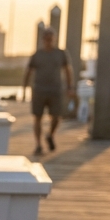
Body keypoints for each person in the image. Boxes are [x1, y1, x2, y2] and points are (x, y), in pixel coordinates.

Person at [21, 28, 73, 156]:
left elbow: (67, 70)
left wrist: (70, 87)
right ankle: (38, 145)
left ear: (54, 39)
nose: (49, 41)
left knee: (56, 116)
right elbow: (28, 72)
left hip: (56, 89)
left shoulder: (61, 54)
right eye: (47, 39)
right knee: (37, 117)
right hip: (39, 90)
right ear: (43, 40)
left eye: (51, 39)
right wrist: (24, 90)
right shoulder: (37, 55)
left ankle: (50, 134)